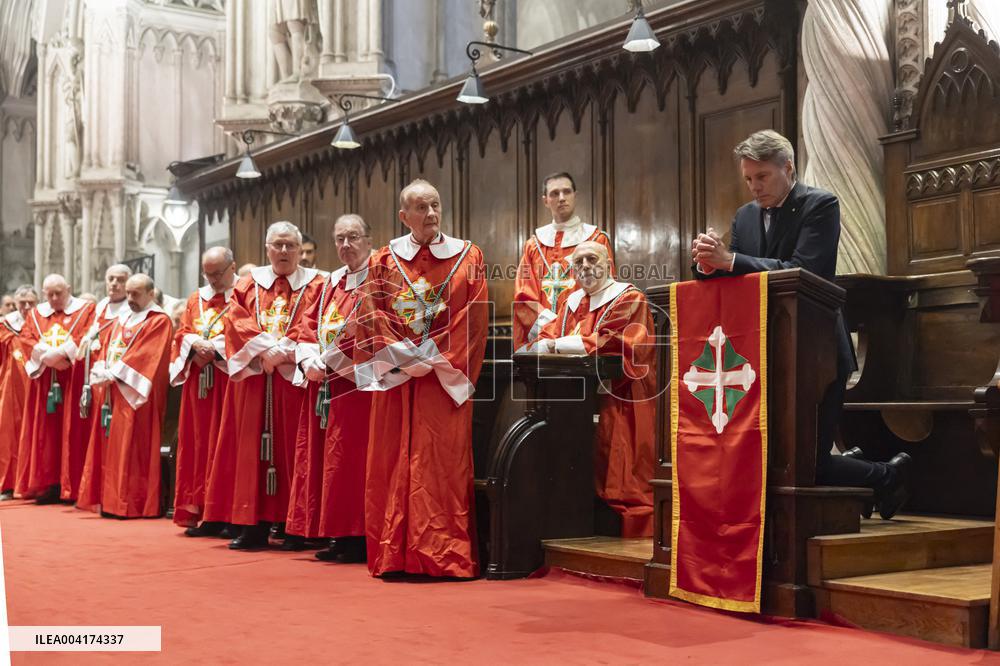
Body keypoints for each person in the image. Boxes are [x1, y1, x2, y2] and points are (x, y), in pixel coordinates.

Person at [691, 129, 910, 519]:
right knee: (780, 457)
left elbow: (804, 270)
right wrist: (707, 266)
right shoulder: (745, 216)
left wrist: (730, 261)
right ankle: (870, 472)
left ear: (787, 168)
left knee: (805, 464)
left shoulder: (820, 204)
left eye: (762, 177)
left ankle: (885, 476)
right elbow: (736, 275)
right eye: (748, 179)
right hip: (764, 349)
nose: (754, 188)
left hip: (817, 349)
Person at [354, 179, 488, 578]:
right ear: (403, 216)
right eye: (421, 208)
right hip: (398, 377)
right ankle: (392, 552)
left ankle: (443, 554)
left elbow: (474, 318)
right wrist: (400, 355)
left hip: (441, 378)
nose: (430, 214)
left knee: (441, 466)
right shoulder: (383, 260)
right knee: (392, 461)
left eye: (435, 205)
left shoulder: (468, 256)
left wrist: (434, 357)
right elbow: (370, 312)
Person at [203, 221, 325, 549]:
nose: (283, 251)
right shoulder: (248, 282)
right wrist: (265, 351)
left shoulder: (317, 284)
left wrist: (282, 353)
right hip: (256, 380)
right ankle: (251, 525)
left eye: (290, 245)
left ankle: (294, 526)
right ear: (267, 248)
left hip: (292, 380)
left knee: (293, 450)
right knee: (248, 452)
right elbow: (235, 321)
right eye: (277, 245)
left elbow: (313, 324)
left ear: (300, 250)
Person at [534, 241, 656, 536]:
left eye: (592, 259)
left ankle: (620, 524)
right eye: (578, 263)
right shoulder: (571, 302)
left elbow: (617, 342)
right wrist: (550, 343)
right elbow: (548, 336)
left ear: (608, 262)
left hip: (618, 395)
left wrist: (555, 345)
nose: (585, 266)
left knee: (617, 462)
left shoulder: (628, 297)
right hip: (573, 399)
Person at [286, 214, 373, 560]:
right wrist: (309, 361)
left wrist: (331, 359)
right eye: (339, 239)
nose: (346, 245)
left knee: (351, 460)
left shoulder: (377, 281)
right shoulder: (328, 284)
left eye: (353, 237)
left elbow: (371, 329)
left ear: (368, 239)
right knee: (325, 458)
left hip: (357, 387)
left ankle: (357, 535)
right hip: (322, 385)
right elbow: (306, 326)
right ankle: (333, 532)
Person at [76, 274, 173, 518]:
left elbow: (147, 356)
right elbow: (109, 347)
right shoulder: (123, 317)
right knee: (111, 447)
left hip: (135, 393)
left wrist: (114, 373)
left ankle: (131, 503)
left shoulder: (158, 321)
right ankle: (110, 501)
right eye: (128, 293)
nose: (129, 299)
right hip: (113, 389)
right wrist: (101, 368)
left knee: (132, 448)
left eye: (136, 294)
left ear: (151, 294)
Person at [169, 247, 237, 536]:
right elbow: (182, 332)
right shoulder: (196, 298)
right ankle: (199, 508)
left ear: (232, 268)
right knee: (197, 445)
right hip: (199, 385)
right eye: (207, 274)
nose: (211, 280)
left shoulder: (244, 294)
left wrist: (216, 350)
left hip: (228, 383)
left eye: (217, 274)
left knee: (224, 446)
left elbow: (246, 332)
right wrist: (194, 346)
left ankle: (225, 513)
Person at [512, 172, 615, 352]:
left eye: (566, 192)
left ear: (575, 195)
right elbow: (524, 296)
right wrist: (552, 325)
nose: (561, 198)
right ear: (545, 200)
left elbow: (605, 290)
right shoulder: (533, 245)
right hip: (542, 337)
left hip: (582, 334)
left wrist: (570, 329)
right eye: (554, 193)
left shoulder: (596, 240)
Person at [16, 274, 95, 503]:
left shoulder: (85, 309)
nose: (53, 298)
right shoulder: (36, 313)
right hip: (44, 382)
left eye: (58, 293)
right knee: (46, 434)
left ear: (68, 289)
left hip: (72, 379)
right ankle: (48, 484)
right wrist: (47, 357)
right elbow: (26, 338)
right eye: (48, 294)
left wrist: (63, 355)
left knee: (71, 431)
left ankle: (71, 485)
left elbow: (87, 335)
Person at [68, 264, 132, 502]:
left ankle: (111, 492)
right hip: (94, 379)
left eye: (120, 280)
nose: (114, 284)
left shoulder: (130, 310)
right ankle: (94, 490)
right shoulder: (102, 306)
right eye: (110, 279)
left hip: (115, 379)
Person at [0, 286, 37, 498]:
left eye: (31, 303)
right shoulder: (5, 326)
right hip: (11, 389)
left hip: (37, 390)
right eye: (21, 303)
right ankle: (8, 483)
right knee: (9, 436)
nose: (26, 307)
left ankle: (34, 484)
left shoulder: (44, 325)